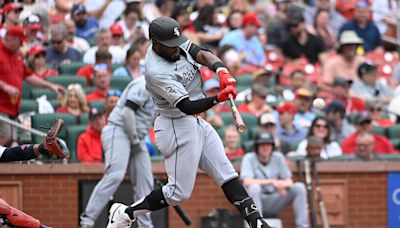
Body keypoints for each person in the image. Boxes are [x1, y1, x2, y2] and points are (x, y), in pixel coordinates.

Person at [106, 16, 270, 228]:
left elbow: (201, 53)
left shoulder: (171, 41)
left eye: (177, 43)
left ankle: (258, 223)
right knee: (177, 193)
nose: (176, 49)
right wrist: (218, 98)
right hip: (175, 125)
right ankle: (125, 213)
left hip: (196, 123)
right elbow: (187, 106)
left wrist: (221, 70)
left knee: (227, 175)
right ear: (156, 43)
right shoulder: (156, 71)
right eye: (171, 46)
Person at [79, 76, 155, 228]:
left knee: (146, 183)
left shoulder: (166, 91)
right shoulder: (143, 84)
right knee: (115, 175)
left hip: (136, 137)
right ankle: (87, 221)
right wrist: (135, 140)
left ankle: (146, 225)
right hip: (118, 129)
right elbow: (127, 114)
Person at [0, 26, 64, 146]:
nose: (21, 45)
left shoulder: (17, 56)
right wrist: (5, 86)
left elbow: (29, 76)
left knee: (12, 139)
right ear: (11, 39)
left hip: (13, 106)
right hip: (1, 105)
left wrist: (51, 86)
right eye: (20, 42)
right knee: (6, 136)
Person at [240, 132, 308, 228]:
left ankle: (302, 226)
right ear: (256, 147)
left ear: (272, 146)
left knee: (299, 187)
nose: (265, 147)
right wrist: (272, 182)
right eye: (262, 145)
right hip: (256, 201)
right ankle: (256, 226)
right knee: (254, 188)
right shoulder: (249, 157)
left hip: (275, 199)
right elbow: (247, 181)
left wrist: (282, 185)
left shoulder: (278, 157)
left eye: (268, 144)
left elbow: (289, 181)